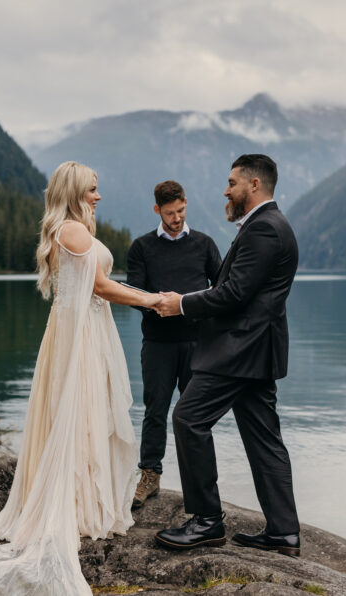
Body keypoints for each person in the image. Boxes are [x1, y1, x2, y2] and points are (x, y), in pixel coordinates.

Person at [0, 161, 160, 595]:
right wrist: (154, 300)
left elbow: (96, 284)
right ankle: (75, 504)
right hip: (80, 333)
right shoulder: (72, 231)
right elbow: (101, 287)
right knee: (80, 410)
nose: (98, 197)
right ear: (73, 193)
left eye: (97, 189)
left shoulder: (67, 230)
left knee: (81, 411)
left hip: (73, 328)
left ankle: (80, 498)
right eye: (91, 190)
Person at [152, 154, 302, 557]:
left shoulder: (265, 229)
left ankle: (206, 521)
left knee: (188, 419)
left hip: (239, 350)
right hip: (256, 351)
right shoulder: (270, 225)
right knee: (265, 439)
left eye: (232, 182)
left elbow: (234, 293)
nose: (226, 189)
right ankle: (284, 533)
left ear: (254, 185)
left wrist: (181, 303)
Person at [126, 181, 221, 510]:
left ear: (186, 204)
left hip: (199, 344)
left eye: (180, 211)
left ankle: (197, 483)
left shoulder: (205, 245)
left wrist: (187, 304)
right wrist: (158, 303)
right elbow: (134, 294)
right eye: (170, 213)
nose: (177, 218)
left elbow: (220, 292)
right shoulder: (141, 248)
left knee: (195, 416)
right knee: (155, 411)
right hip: (158, 345)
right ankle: (150, 475)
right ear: (157, 211)